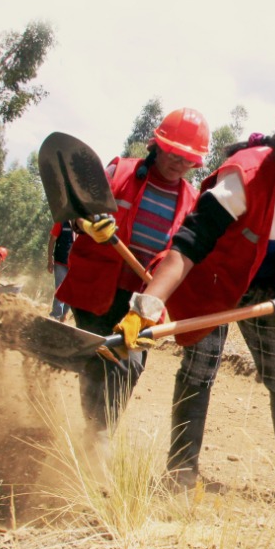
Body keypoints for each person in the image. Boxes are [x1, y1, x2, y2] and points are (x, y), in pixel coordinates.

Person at [110, 90, 275, 492]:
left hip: (272, 286)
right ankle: (181, 470)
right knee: (201, 365)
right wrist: (147, 305)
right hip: (215, 279)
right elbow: (187, 246)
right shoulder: (241, 180)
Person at [55, 108, 208, 438]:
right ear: (157, 144)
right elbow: (74, 209)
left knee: (129, 365)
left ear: (196, 163)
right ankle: (96, 439)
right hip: (97, 286)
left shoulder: (193, 201)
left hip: (144, 298)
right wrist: (85, 223)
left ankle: (98, 434)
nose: (178, 162)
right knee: (101, 358)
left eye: (187, 158)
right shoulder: (118, 171)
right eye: (172, 152)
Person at [47, 220, 75, 320]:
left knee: (71, 291)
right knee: (60, 288)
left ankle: (64, 315)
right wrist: (50, 260)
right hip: (60, 262)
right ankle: (56, 315)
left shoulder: (82, 225)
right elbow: (52, 241)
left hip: (74, 265)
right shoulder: (61, 223)